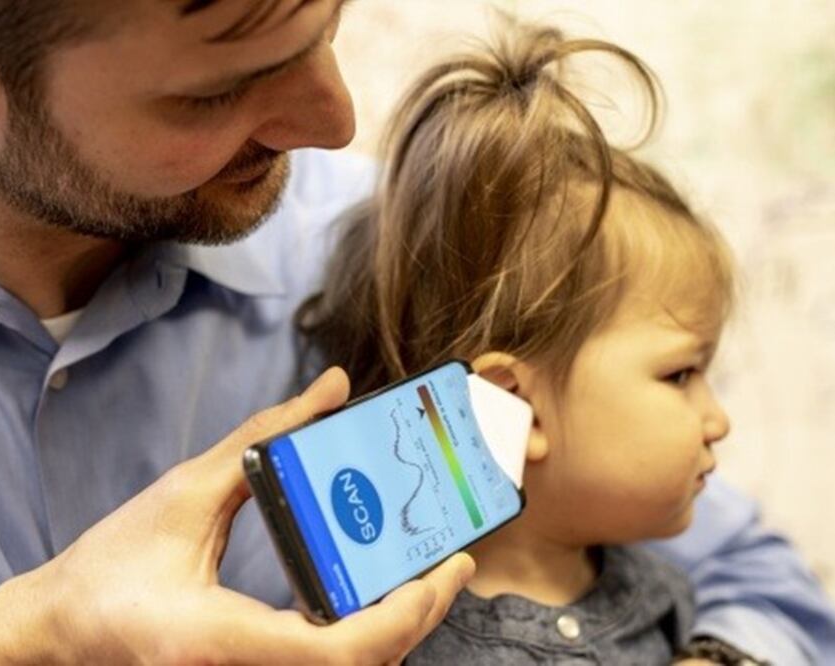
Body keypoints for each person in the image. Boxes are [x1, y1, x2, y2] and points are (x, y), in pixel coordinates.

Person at [0, 0, 830, 663]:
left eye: (322, 26)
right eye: (220, 89)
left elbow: (751, 586)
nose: (334, 120)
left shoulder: (381, 247)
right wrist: (25, 645)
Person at [297, 22, 751, 663]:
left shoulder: (666, 595)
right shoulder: (394, 640)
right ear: (517, 404)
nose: (718, 421)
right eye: (680, 375)